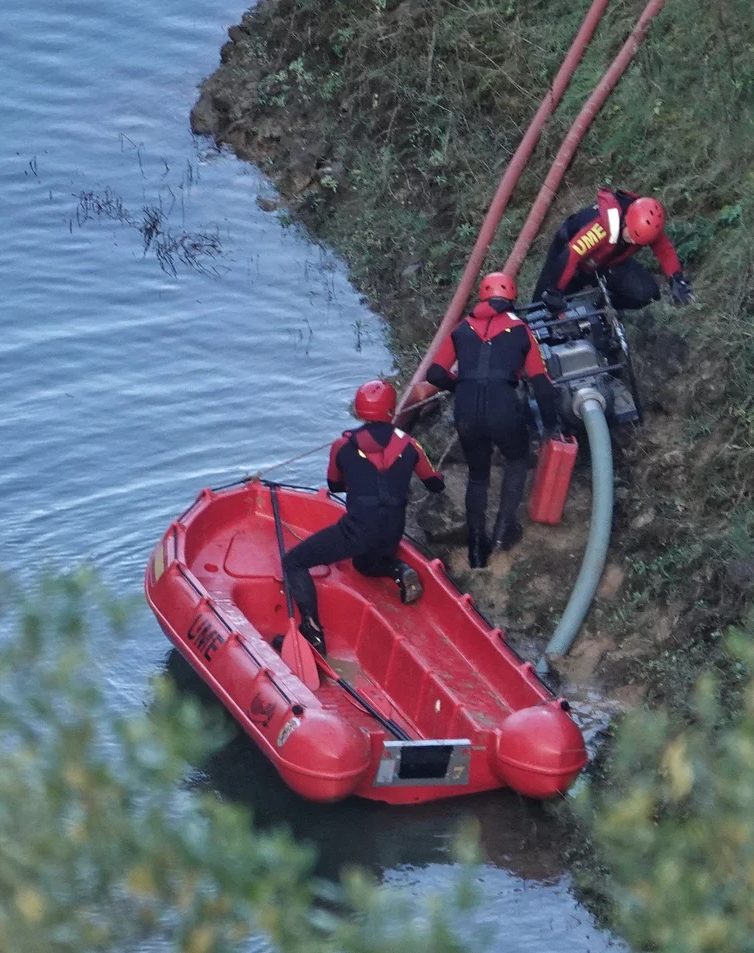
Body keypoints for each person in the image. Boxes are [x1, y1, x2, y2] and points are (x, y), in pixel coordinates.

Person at [281, 380, 445, 652]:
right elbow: (434, 483)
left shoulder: (342, 445)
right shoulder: (410, 445)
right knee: (363, 565)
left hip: (357, 530)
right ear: (392, 411)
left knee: (293, 563)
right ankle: (398, 569)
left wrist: (360, 483)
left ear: (358, 411)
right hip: (393, 530)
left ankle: (312, 633)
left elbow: (334, 485)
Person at [417, 272, 562, 568]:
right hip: (503, 406)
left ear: (483, 298)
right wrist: (552, 425)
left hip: (467, 408)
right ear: (511, 299)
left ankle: (475, 550)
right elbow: (541, 383)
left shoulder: (461, 329)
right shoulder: (522, 330)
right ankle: (501, 533)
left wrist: (459, 386)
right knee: (517, 460)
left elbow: (434, 374)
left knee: (478, 475)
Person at [533, 187, 695, 313]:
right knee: (542, 308)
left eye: (637, 241)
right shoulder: (601, 226)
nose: (632, 242)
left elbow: (665, 250)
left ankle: (602, 309)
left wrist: (676, 279)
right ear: (626, 221)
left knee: (646, 293)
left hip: (607, 261)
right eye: (630, 236)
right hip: (570, 255)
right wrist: (554, 291)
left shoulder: (647, 225)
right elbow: (571, 255)